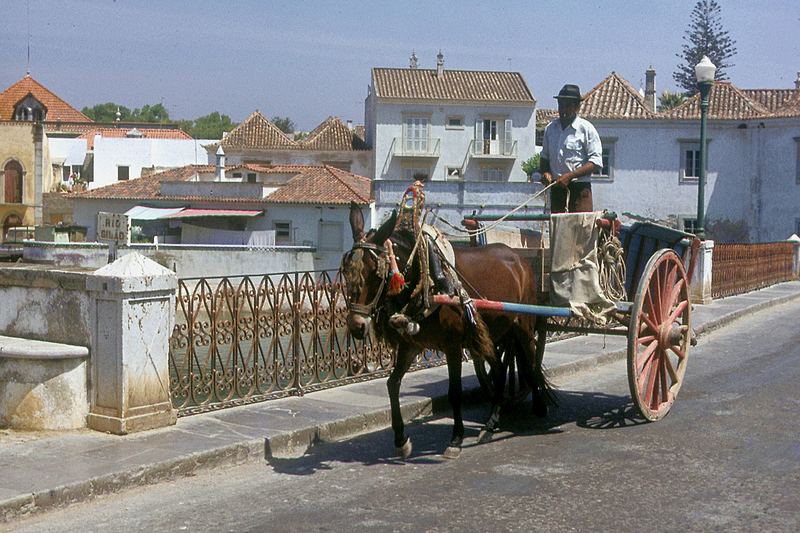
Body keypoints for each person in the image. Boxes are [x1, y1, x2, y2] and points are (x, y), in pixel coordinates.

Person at [539, 84, 603, 213]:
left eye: (568, 105)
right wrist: (546, 173)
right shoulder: (550, 129)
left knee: (580, 230)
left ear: (577, 107)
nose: (563, 109)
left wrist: (570, 176)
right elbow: (544, 157)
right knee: (559, 230)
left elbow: (595, 162)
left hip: (579, 190)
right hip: (557, 189)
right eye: (561, 105)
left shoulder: (586, 129)